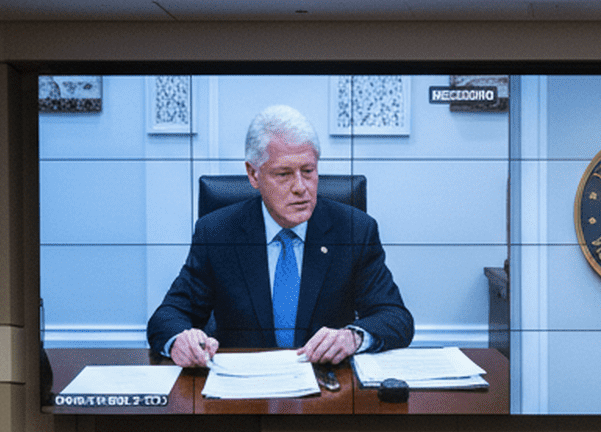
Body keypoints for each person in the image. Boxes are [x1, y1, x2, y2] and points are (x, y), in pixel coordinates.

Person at [147, 105, 413, 367]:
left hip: (326, 387)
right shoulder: (217, 232)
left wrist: (352, 337)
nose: (300, 187)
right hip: (244, 389)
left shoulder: (355, 230)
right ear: (253, 174)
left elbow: (395, 317)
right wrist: (181, 339)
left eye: (308, 171)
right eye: (284, 174)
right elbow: (167, 316)